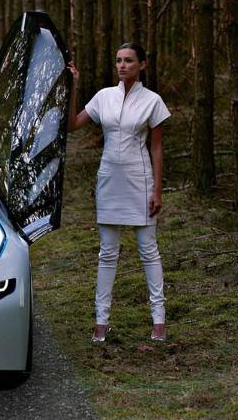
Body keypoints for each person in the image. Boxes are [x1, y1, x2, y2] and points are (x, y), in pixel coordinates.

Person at [67, 43, 171, 342]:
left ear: (142, 64)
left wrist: (157, 190)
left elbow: (157, 148)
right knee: (107, 252)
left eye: (128, 60)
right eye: (118, 60)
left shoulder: (152, 101)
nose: (122, 65)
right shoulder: (103, 97)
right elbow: (72, 125)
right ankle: (101, 322)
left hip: (140, 179)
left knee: (148, 250)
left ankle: (159, 322)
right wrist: (73, 85)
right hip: (109, 179)